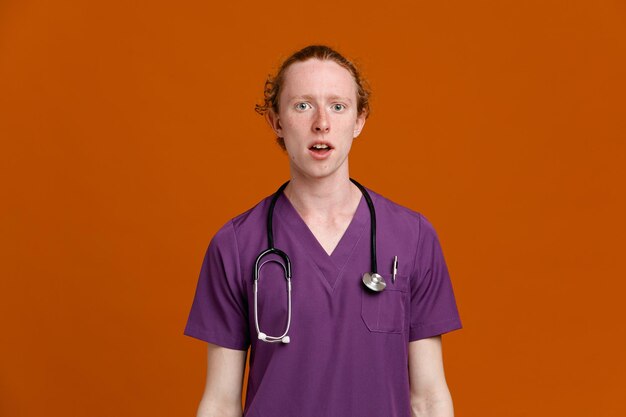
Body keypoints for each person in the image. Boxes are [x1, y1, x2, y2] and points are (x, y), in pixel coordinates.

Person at [184, 45, 462, 417]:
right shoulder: (236, 245)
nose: (322, 123)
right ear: (276, 121)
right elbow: (220, 403)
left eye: (337, 106)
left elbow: (428, 399)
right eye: (302, 105)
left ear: (359, 120)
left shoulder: (411, 237)